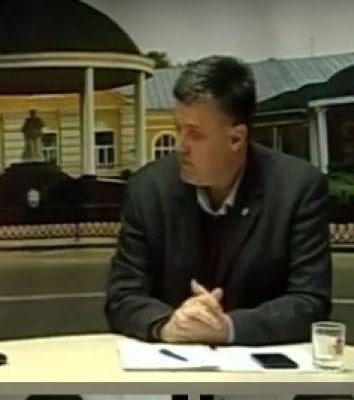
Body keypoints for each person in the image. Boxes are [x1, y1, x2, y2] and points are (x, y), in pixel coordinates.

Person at [105, 55, 332, 346]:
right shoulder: (148, 189)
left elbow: (310, 302)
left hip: (258, 368)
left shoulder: (296, 189)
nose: (180, 147)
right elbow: (122, 295)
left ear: (236, 138)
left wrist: (228, 328)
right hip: (170, 363)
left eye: (195, 134)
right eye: (178, 130)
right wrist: (167, 325)